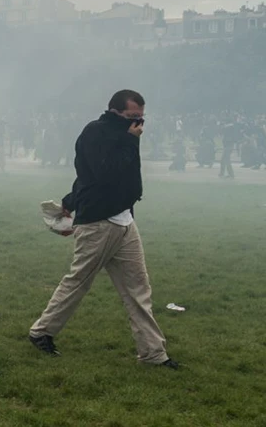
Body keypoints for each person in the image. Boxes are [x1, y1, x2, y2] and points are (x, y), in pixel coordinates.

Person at [29, 89, 178, 370]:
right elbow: (104, 174)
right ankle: (41, 332)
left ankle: (154, 354)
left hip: (124, 220)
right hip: (98, 223)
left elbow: (87, 180)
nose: (138, 123)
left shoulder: (123, 135)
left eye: (142, 118)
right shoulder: (96, 133)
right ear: (114, 111)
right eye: (132, 117)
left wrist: (68, 202)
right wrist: (131, 143)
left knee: (139, 289)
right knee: (78, 282)